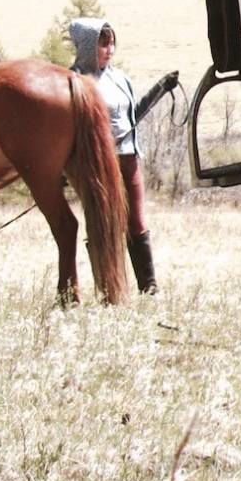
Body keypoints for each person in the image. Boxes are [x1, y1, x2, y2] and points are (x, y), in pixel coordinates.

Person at [68, 18, 175, 294]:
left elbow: (133, 116)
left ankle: (149, 288)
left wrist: (160, 89)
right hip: (98, 164)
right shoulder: (73, 80)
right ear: (87, 46)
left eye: (112, 42)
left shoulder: (120, 78)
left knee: (136, 222)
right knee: (102, 225)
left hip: (129, 158)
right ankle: (108, 289)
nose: (109, 49)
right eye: (103, 43)